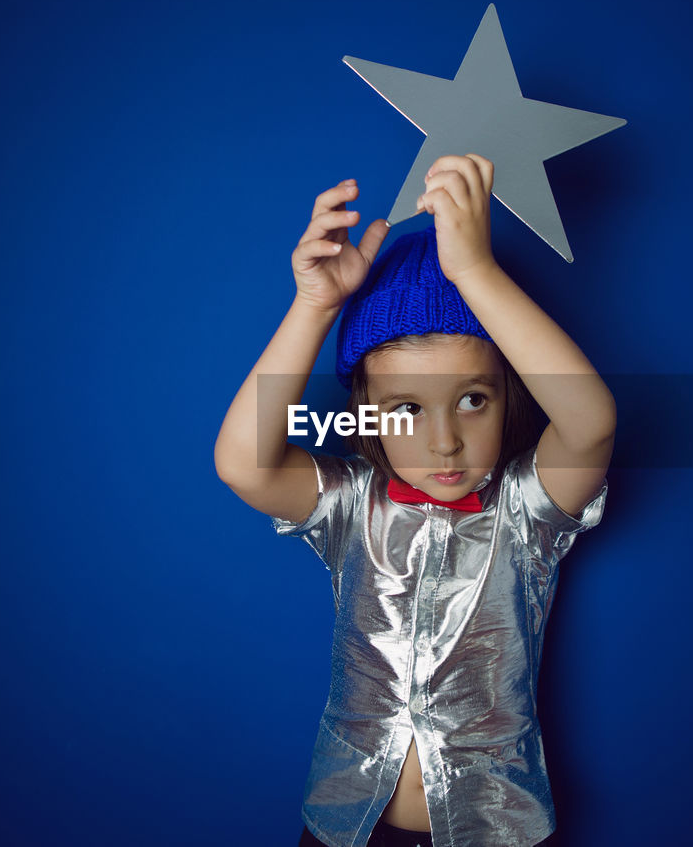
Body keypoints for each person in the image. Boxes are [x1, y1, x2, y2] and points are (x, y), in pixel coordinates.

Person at [213, 153, 615, 847]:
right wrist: (314, 306)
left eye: (472, 399)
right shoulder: (349, 503)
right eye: (405, 409)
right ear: (364, 413)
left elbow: (590, 421)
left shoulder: (526, 509)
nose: (445, 443)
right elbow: (241, 464)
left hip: (497, 830)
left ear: (507, 396)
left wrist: (475, 274)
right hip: (345, 825)